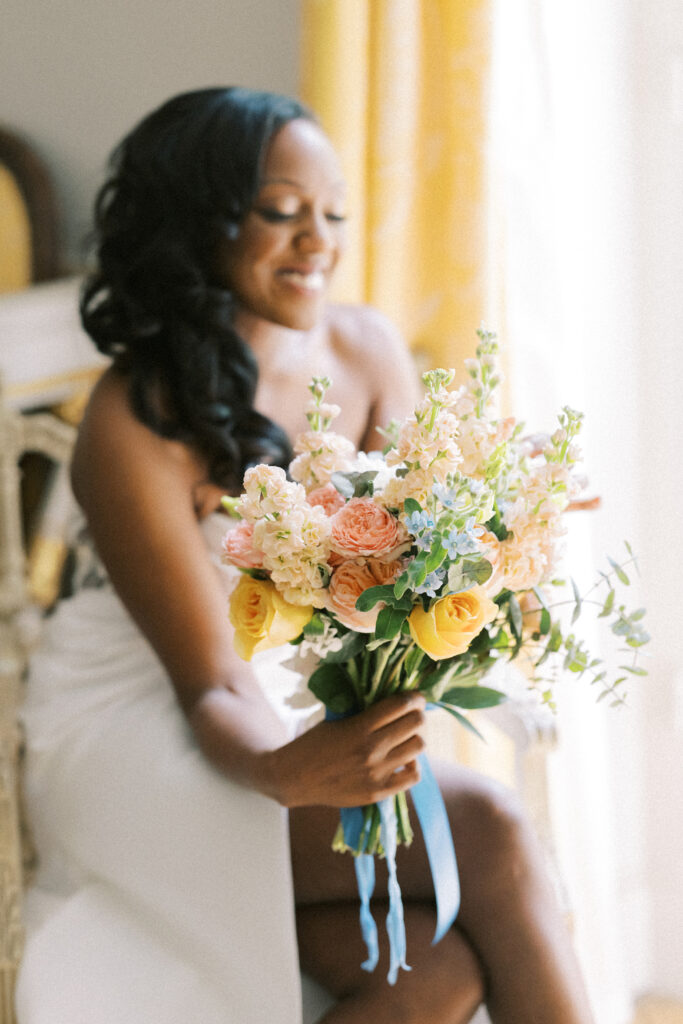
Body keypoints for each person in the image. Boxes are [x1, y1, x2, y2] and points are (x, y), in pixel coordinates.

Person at [16, 87, 594, 1024]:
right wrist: (285, 772)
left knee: (433, 976)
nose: (316, 241)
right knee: (488, 829)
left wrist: (505, 516)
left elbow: (418, 549)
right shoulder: (134, 421)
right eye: (282, 213)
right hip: (139, 722)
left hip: (282, 701)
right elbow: (207, 681)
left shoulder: (363, 349)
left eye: (333, 215)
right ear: (199, 223)